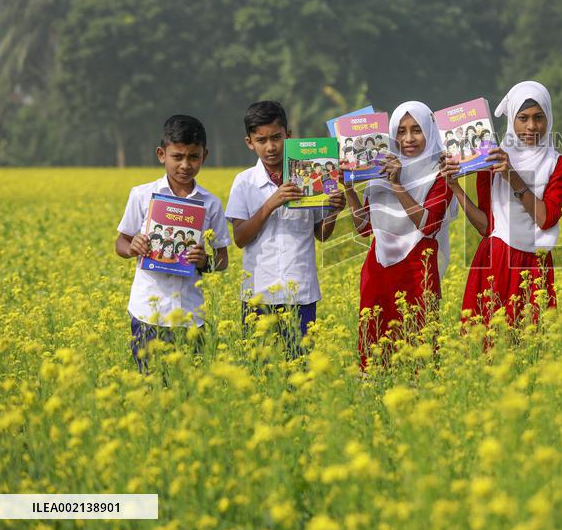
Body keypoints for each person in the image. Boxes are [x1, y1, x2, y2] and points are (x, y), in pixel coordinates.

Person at [444, 81, 562, 331]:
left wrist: (512, 175)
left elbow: (546, 219)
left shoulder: (560, 165)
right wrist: (456, 189)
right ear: (512, 120)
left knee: (532, 346)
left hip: (535, 264)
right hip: (494, 259)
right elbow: (486, 226)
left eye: (539, 117)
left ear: (549, 118)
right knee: (487, 345)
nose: (531, 126)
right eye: (522, 118)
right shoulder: (490, 160)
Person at [226, 101, 345, 354]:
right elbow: (240, 238)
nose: (270, 147)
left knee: (300, 368)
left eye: (277, 138)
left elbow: (321, 234)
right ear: (250, 142)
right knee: (260, 371)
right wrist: (271, 204)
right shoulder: (244, 182)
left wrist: (334, 211)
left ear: (288, 137)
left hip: (301, 291)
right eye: (261, 140)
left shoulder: (310, 176)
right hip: (259, 293)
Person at [115, 114, 230, 371]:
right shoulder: (142, 195)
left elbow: (222, 259)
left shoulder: (211, 204)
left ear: (205, 156)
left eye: (193, 157)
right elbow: (120, 243)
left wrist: (206, 262)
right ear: (161, 154)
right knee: (149, 385)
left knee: (188, 393)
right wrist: (132, 246)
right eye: (177, 156)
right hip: (147, 311)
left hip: (190, 314)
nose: (185, 165)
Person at [344, 101, 455, 368]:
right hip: (377, 269)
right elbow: (364, 229)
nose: (408, 139)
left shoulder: (441, 173)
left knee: (418, 353)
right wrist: (348, 189)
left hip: (418, 269)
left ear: (430, 130)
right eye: (401, 131)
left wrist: (397, 183)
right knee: (374, 354)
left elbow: (428, 225)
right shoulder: (379, 169)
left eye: (416, 130)